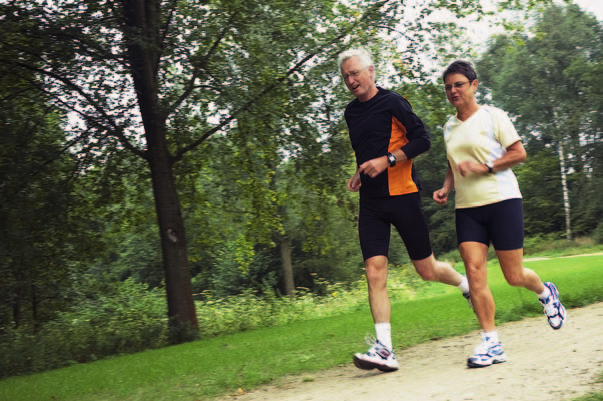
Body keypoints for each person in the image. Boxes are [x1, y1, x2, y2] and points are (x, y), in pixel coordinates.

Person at [338, 48, 471, 373]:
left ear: (371, 71)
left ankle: (463, 283)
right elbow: (367, 150)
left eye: (355, 73)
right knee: (374, 271)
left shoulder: (394, 102)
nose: (351, 80)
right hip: (371, 202)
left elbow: (422, 140)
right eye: (345, 77)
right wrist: (359, 172)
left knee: (426, 271)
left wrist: (388, 160)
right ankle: (385, 349)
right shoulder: (350, 113)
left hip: (402, 196)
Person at [433, 60, 567, 368]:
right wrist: (446, 187)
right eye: (448, 87)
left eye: (458, 84)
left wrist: (484, 167)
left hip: (503, 201)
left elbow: (519, 153)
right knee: (475, 274)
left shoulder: (493, 116)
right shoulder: (449, 127)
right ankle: (491, 343)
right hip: (467, 209)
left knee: (513, 275)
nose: (453, 90)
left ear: (474, 85)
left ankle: (546, 292)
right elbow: (454, 163)